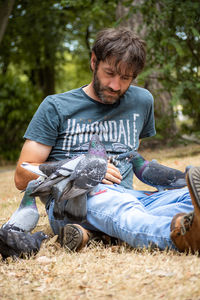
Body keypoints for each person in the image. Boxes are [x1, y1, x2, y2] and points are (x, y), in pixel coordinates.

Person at [14, 27, 200, 254]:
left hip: (131, 198)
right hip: (74, 202)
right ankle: (180, 237)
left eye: (125, 78)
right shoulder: (55, 106)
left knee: (184, 196)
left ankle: (106, 232)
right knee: (115, 205)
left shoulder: (142, 101)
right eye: (109, 72)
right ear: (94, 61)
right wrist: (81, 170)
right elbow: (22, 177)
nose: (115, 85)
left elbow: (131, 152)